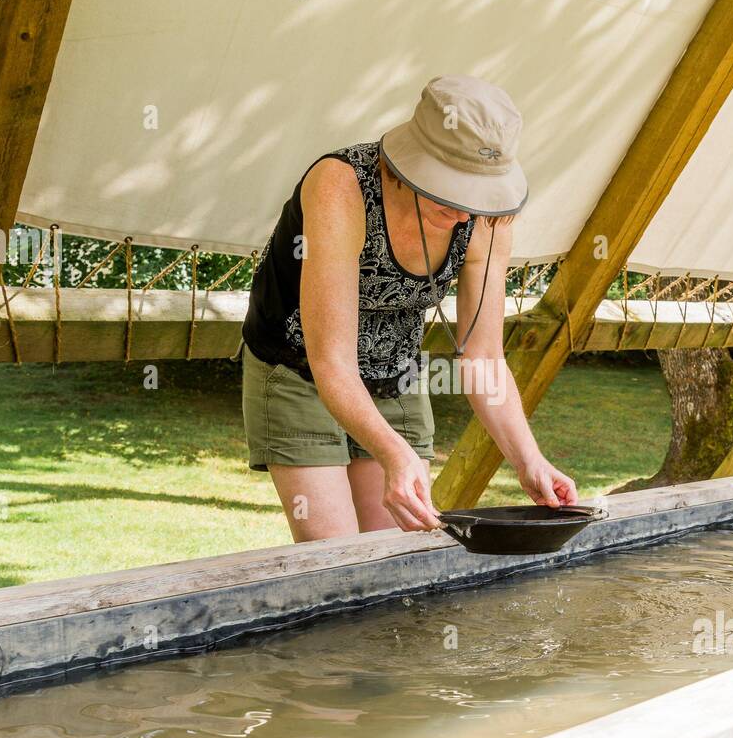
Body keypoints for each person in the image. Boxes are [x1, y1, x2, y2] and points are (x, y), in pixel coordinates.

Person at [241, 74, 577, 542]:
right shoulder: (342, 187)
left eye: (474, 196)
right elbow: (331, 361)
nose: (463, 213)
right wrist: (393, 454)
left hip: (395, 370)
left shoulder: (489, 220)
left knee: (397, 548)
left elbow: (483, 358)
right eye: (449, 190)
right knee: (336, 557)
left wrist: (529, 460)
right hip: (300, 368)